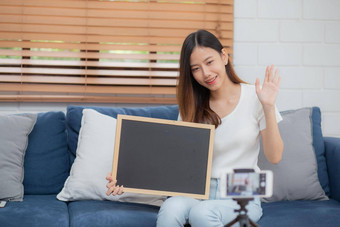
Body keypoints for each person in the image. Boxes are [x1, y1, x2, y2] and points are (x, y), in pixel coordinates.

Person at [106, 29, 284, 227]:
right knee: (171, 207)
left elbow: (275, 156)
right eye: (196, 69)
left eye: (209, 62)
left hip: (241, 193)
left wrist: (268, 107)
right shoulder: (192, 106)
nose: (206, 73)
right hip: (198, 191)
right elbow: (174, 163)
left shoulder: (256, 97)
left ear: (224, 56)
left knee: (202, 213)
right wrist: (128, 178)